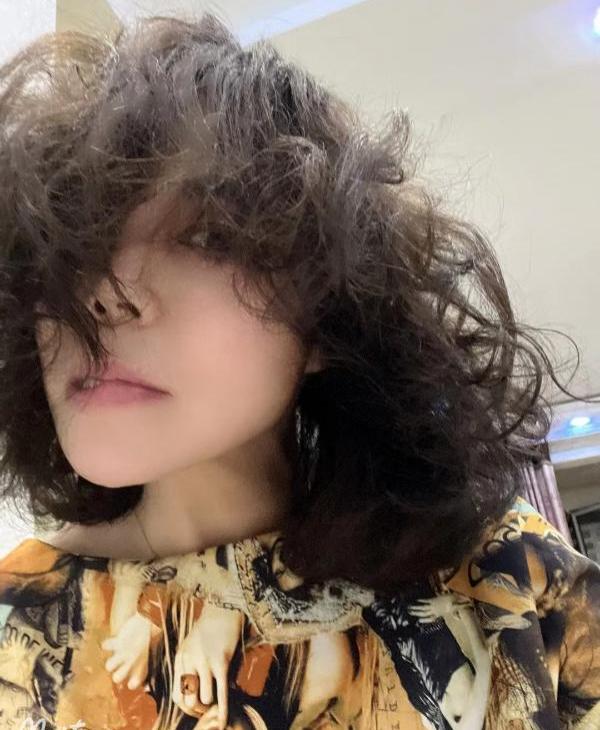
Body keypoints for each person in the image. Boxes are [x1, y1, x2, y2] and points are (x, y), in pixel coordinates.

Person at [0, 11, 597, 730]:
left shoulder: (510, 584)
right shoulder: (16, 631)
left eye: (207, 236)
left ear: (325, 317)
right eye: (75, 243)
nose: (100, 293)